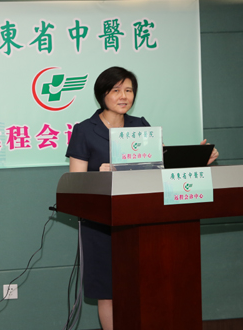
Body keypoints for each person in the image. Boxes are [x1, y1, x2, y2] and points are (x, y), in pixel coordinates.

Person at [65, 66, 218, 330]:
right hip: (101, 224)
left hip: (140, 220)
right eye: (116, 90)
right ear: (102, 94)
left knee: (143, 285)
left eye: (128, 90)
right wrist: (99, 174)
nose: (123, 96)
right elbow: (75, 184)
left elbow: (160, 167)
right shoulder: (85, 130)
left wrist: (198, 160)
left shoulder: (141, 126)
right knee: (108, 290)